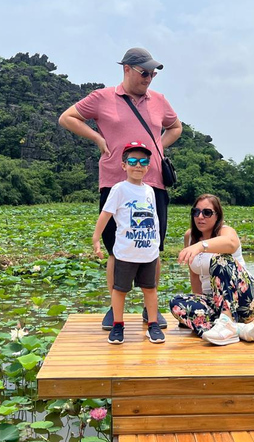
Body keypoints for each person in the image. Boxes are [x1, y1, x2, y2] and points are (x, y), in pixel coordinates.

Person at [59, 48, 182, 330]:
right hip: (115, 182)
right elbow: (67, 117)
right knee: (116, 248)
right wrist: (97, 138)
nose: (149, 78)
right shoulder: (102, 98)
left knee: (154, 246)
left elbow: (175, 127)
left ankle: (150, 308)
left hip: (154, 185)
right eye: (144, 73)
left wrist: (157, 147)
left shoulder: (159, 101)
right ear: (127, 69)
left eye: (153, 73)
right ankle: (115, 310)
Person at [92, 142, 164, 344]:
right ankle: (117, 325)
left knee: (150, 289)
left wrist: (156, 245)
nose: (138, 165)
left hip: (148, 252)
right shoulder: (119, 189)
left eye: (143, 161)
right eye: (132, 161)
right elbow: (106, 214)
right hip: (125, 252)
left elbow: (154, 219)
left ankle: (153, 325)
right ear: (124, 165)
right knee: (120, 290)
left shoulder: (150, 191)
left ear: (149, 166)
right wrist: (96, 238)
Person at [170, 194, 254, 346]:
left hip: (244, 300)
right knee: (177, 303)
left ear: (217, 215)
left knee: (220, 260)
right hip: (215, 303)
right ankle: (238, 329)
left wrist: (201, 246)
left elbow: (231, 244)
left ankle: (227, 320)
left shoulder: (226, 231)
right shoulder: (190, 236)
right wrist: (199, 303)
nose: (200, 217)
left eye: (207, 213)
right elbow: (194, 276)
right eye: (196, 212)